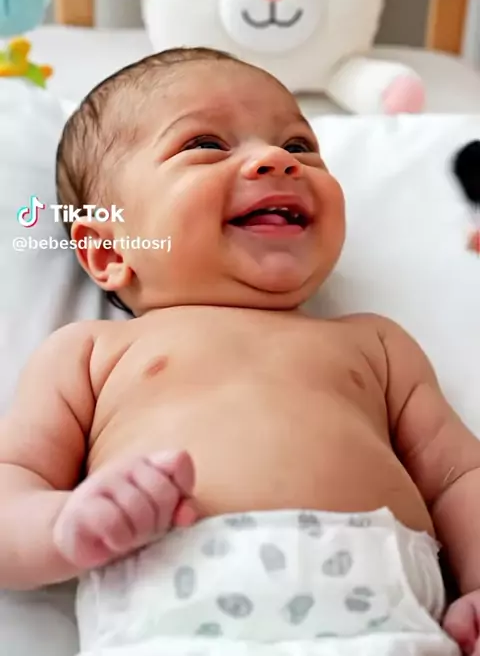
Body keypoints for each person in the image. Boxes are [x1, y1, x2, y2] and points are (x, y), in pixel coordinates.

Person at [0, 47, 478, 655]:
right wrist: (62, 528)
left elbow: (461, 477)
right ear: (109, 251)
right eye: (205, 144)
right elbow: (12, 486)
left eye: (299, 146)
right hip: (173, 623)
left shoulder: (376, 344)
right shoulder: (91, 352)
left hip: (389, 624)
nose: (277, 160)